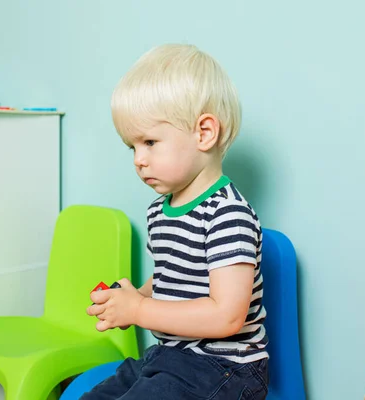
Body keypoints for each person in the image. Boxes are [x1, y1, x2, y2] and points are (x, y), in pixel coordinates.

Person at [84, 43, 268, 400]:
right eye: (131, 146)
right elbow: (173, 274)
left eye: (150, 141)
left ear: (204, 133)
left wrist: (140, 309)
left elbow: (227, 316)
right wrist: (136, 296)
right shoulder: (160, 210)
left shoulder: (227, 215)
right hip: (172, 357)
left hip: (226, 368)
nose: (139, 159)